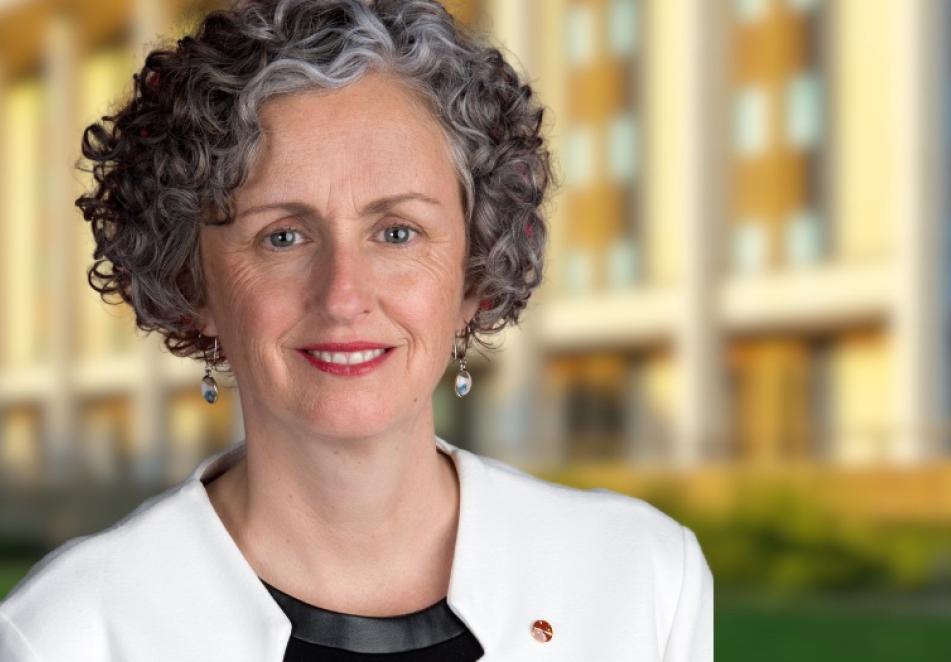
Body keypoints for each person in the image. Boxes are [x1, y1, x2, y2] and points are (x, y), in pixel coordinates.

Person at [0, 0, 713, 660]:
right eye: (282, 237)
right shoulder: (67, 632)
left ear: (474, 274)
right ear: (193, 286)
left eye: (397, 232)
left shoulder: (643, 578)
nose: (343, 296)